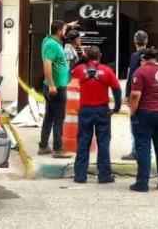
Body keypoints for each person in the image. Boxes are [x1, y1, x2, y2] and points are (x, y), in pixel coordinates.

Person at [70, 46, 121, 184]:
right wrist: (116, 107)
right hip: (102, 111)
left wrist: (82, 59)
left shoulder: (80, 70)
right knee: (103, 143)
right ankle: (104, 175)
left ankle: (80, 175)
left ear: (88, 56)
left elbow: (70, 71)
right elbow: (117, 90)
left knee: (83, 142)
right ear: (100, 56)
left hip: (85, 110)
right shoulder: (107, 71)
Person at [128, 47, 158, 192]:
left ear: (143, 59)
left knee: (143, 148)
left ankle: (142, 183)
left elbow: (135, 95)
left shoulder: (140, 72)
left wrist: (132, 111)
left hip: (144, 113)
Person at [39, 19, 74, 158]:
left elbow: (60, 29)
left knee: (49, 116)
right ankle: (58, 149)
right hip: (56, 87)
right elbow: (47, 64)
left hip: (53, 86)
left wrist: (68, 25)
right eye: (65, 30)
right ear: (59, 31)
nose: (66, 32)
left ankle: (43, 146)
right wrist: (52, 84)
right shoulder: (52, 45)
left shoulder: (48, 40)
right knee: (59, 118)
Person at [121, 29, 148, 161]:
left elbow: (131, 76)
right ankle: (145, 150)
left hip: (137, 93)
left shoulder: (135, 56)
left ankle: (136, 151)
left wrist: (127, 95)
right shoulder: (151, 55)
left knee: (135, 121)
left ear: (134, 42)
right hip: (149, 94)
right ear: (146, 41)